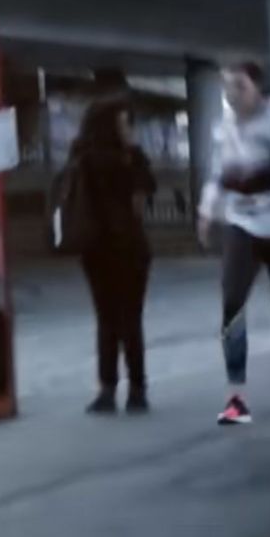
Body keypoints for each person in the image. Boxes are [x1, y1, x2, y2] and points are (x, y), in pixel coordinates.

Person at [197, 60, 270, 426]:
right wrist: (207, 213)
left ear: (258, 88)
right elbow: (217, 175)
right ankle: (236, 397)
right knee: (231, 304)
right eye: (227, 88)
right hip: (242, 225)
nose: (232, 96)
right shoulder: (224, 129)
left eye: (239, 87)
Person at [65, 95, 158, 414]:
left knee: (106, 319)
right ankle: (137, 389)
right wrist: (132, 150)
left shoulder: (81, 155)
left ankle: (106, 389)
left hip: (93, 248)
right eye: (124, 122)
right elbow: (144, 196)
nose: (128, 127)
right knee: (131, 318)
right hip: (128, 246)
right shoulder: (128, 159)